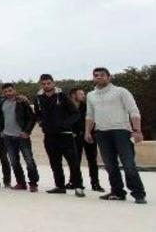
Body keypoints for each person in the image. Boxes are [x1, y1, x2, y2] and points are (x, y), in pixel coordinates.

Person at [84, 67, 147, 204]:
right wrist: (88, 131)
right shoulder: (91, 95)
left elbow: (134, 111)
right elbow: (90, 115)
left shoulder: (121, 92)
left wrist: (137, 130)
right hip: (101, 132)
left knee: (128, 164)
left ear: (109, 77)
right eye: (96, 75)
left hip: (121, 131)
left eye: (102, 75)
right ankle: (117, 192)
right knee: (110, 165)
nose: (99, 77)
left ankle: (138, 194)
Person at [35, 74, 84, 197]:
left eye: (48, 83)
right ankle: (60, 186)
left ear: (53, 83)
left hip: (65, 135)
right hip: (49, 135)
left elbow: (75, 114)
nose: (46, 86)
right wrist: (41, 122)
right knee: (55, 162)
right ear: (41, 84)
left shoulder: (62, 96)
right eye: (44, 84)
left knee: (73, 162)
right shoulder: (38, 98)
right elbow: (37, 113)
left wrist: (65, 124)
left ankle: (78, 186)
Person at [1, 83, 39, 192]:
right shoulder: (2, 103)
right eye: (6, 91)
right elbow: (0, 118)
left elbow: (32, 118)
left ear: (14, 90)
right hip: (8, 137)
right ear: (3, 93)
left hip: (22, 136)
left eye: (10, 90)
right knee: (14, 161)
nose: (8, 93)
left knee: (29, 160)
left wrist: (27, 131)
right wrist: (2, 131)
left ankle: (33, 183)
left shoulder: (22, 102)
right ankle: (21, 183)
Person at [70, 88, 103, 192]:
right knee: (75, 160)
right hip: (75, 137)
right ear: (73, 95)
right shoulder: (68, 107)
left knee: (92, 160)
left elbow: (93, 118)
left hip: (89, 135)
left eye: (84, 94)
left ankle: (95, 184)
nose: (84, 96)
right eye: (81, 94)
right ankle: (74, 182)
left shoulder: (88, 106)